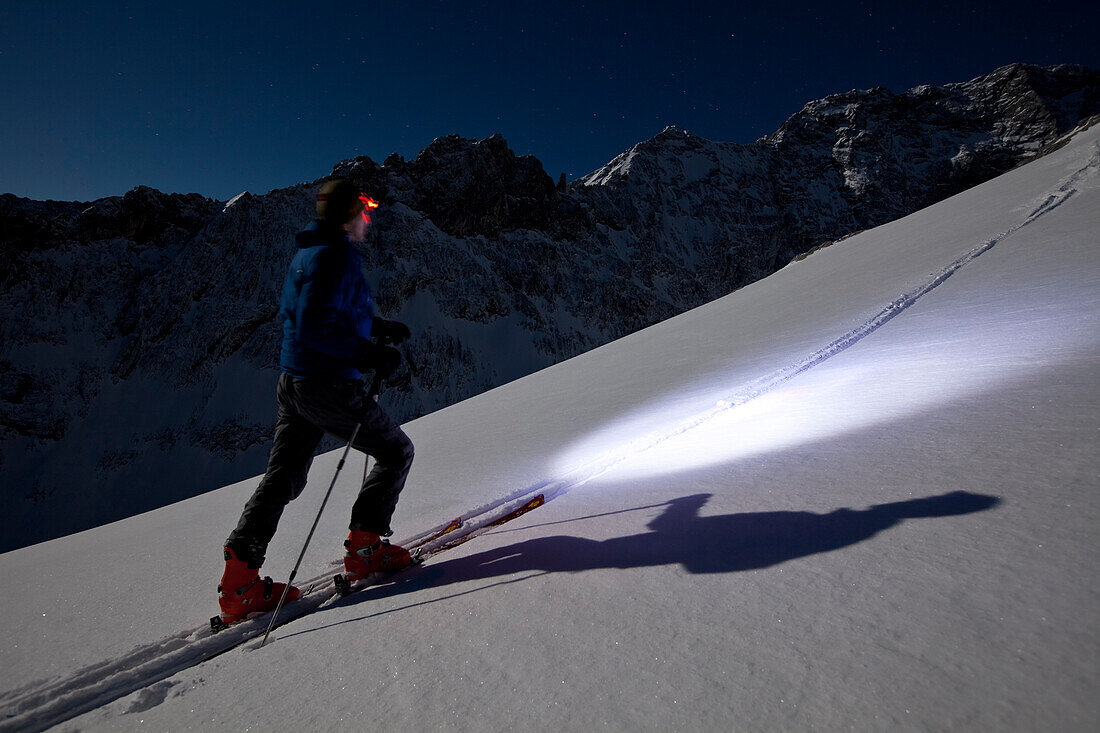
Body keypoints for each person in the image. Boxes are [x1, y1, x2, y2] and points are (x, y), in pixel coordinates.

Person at [217, 179, 415, 623]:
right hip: (326, 384)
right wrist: (369, 353)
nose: (368, 218)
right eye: (363, 210)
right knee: (396, 450)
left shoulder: (309, 253)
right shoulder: (332, 256)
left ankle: (239, 583)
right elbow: (316, 328)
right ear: (347, 215)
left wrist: (376, 327)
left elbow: (321, 313)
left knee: (283, 476)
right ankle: (366, 551)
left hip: (295, 382)